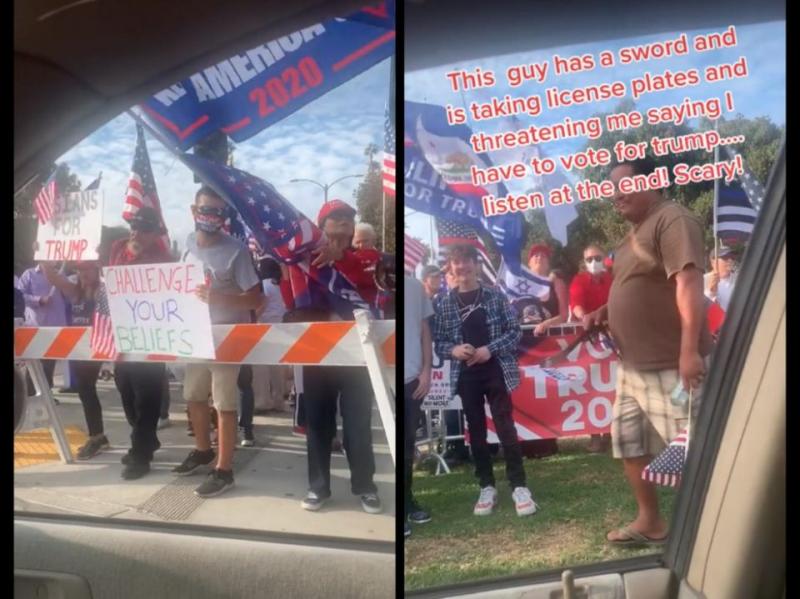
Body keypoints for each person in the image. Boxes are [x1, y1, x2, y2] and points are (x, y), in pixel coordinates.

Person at [584, 157, 712, 545]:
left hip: (671, 366)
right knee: (629, 443)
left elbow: (689, 284)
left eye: (621, 186)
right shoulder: (632, 236)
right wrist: (604, 312)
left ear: (651, 182)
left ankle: (712, 529)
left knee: (694, 454)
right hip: (633, 370)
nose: (614, 196)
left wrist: (689, 353)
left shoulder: (673, 219)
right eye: (611, 189)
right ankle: (650, 522)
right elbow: (634, 286)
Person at [432, 243, 538, 517]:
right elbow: (439, 342)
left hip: (495, 370)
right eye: (457, 263)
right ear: (451, 268)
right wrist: (454, 350)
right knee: (476, 431)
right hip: (466, 375)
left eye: (467, 262)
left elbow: (515, 332)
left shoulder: (494, 296)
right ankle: (486, 486)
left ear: (477, 266)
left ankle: (519, 485)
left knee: (505, 427)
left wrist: (489, 349)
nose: (463, 268)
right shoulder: (444, 303)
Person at [173, 186, 263, 498]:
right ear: (192, 210)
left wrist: (219, 297)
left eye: (217, 212)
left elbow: (257, 298)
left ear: (224, 217)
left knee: (223, 403)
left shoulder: (236, 251)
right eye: (204, 210)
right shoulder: (186, 244)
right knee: (193, 396)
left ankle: (224, 471)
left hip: (226, 338)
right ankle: (202, 450)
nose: (210, 218)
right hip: (195, 335)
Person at [299, 199, 382, 514]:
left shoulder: (367, 259)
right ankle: (318, 487)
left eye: (349, 217)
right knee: (318, 423)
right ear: (322, 226)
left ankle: (365, 486)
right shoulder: (306, 262)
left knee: (358, 423)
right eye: (337, 217)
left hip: (357, 354)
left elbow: (372, 284)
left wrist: (340, 260)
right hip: (316, 350)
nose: (345, 221)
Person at [107, 207, 174, 479]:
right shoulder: (118, 247)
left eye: (144, 228)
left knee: (147, 396)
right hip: (123, 334)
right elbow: (112, 278)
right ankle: (144, 438)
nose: (136, 232)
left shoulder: (163, 257)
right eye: (134, 226)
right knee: (125, 389)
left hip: (150, 335)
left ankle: (141, 453)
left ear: (154, 233)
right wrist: (130, 255)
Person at [41, 262, 110, 459]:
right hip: (79, 349)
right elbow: (54, 279)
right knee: (85, 391)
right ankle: (97, 436)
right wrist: (43, 259)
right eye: (80, 270)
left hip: (97, 348)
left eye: (88, 269)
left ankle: (97, 436)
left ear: (97, 270)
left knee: (87, 390)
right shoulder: (74, 291)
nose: (83, 274)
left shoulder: (101, 292)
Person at [570, 243, 613, 453]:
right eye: (589, 259)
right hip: (590, 337)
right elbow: (576, 305)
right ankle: (595, 435)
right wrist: (584, 317)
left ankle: (610, 433)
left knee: (614, 383)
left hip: (615, 334)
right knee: (592, 384)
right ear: (583, 262)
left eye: (597, 257)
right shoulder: (579, 280)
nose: (593, 262)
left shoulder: (613, 279)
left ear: (604, 258)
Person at [404, 276, 433, 537]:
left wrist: (426, 370)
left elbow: (425, 330)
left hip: (412, 378)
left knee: (407, 443)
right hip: (384, 375)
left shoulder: (414, 286)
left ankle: (408, 500)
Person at [17, 258, 68, 393]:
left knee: (49, 364)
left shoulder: (60, 275)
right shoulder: (29, 274)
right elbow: (19, 296)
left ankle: (47, 395)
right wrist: (39, 300)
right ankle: (29, 394)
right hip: (35, 327)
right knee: (33, 364)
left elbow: (70, 296)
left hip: (56, 326)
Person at [525, 243, 569, 335]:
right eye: (536, 255)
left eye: (544, 256)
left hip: (549, 337)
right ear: (529, 263)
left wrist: (546, 324)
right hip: (522, 338)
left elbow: (564, 315)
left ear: (548, 264)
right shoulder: (519, 285)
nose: (540, 257)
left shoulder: (556, 282)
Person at [704, 244, 738, 312]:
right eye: (725, 258)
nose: (730, 260)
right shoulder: (702, 280)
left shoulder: (739, 280)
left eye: (732, 257)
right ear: (713, 262)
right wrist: (710, 292)